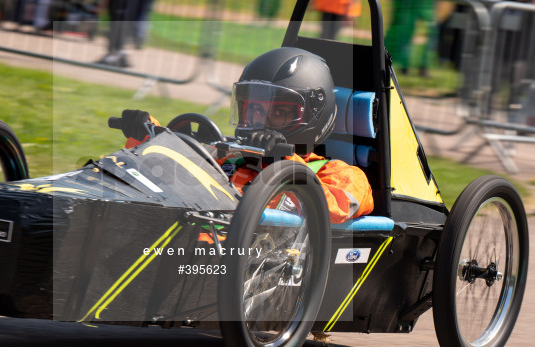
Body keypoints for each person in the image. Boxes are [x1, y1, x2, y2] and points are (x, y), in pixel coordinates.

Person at [118, 47, 375, 223]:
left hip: (253, 266)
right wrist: (148, 132)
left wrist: (281, 164)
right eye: (253, 110)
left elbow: (333, 208)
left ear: (312, 115)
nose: (260, 123)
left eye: (278, 114)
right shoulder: (228, 156)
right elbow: (169, 169)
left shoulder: (340, 173)